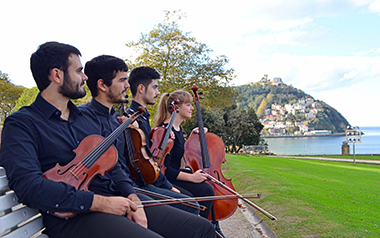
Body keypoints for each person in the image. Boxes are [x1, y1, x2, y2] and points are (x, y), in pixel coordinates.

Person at [0, 42, 215, 238]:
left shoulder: (83, 119)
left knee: (201, 229)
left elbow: (112, 166)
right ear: (57, 75)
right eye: (78, 71)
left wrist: (133, 197)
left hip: (114, 200)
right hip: (72, 216)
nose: (85, 77)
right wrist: (101, 203)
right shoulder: (22, 123)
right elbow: (29, 186)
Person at [81, 54, 200, 215]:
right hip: (123, 188)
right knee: (192, 208)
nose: (127, 86)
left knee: (192, 206)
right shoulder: (86, 117)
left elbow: (125, 162)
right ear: (102, 85)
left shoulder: (117, 118)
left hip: (129, 186)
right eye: (122, 80)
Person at [154, 90, 226, 237]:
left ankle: (212, 226)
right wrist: (192, 178)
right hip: (166, 180)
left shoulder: (178, 130)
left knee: (207, 185)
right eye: (188, 104)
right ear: (177, 107)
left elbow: (177, 157)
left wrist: (192, 139)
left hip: (174, 175)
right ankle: (202, 230)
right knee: (205, 191)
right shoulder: (166, 131)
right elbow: (165, 169)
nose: (192, 108)